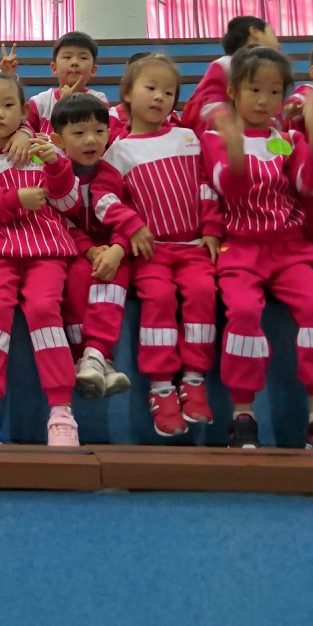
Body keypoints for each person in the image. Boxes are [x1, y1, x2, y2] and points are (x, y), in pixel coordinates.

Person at [201, 46, 313, 450]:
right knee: (244, 313)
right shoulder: (214, 138)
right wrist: (235, 150)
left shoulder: (286, 140)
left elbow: (310, 183)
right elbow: (229, 188)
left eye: (274, 92)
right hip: (240, 249)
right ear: (233, 92)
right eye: (254, 90)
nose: (264, 101)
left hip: (291, 249)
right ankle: (242, 415)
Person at [103, 54, 221, 437]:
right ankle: (161, 387)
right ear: (126, 94)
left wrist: (211, 228)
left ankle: (194, 379)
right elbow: (105, 199)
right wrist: (132, 226)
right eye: (150, 88)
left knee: (203, 293)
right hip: (151, 253)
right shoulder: (118, 151)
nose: (159, 97)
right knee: (159, 299)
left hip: (193, 248)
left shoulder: (188, 138)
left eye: (168, 92)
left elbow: (206, 185)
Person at [0, 73, 81, 446]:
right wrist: (16, 200)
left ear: (24, 111)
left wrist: (57, 166)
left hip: (46, 250)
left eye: (7, 105)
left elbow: (69, 202)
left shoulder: (43, 149)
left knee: (45, 309)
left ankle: (61, 412)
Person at [51, 93, 137, 398]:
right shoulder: (57, 176)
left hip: (112, 249)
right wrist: (88, 249)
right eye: (79, 133)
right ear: (58, 140)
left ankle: (97, 354)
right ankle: (86, 358)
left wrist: (117, 248)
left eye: (99, 132)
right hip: (75, 251)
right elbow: (61, 221)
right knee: (75, 278)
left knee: (113, 275)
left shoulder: (111, 174)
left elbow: (128, 215)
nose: (91, 140)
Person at [179, 15, 279, 132]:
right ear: (255, 31)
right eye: (272, 32)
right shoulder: (225, 65)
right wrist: (224, 120)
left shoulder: (273, 71)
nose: (278, 43)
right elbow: (208, 102)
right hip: (223, 135)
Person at [25, 31, 111, 137]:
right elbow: (23, 131)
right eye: (67, 57)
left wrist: (68, 103)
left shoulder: (99, 100)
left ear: (93, 70)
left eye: (83, 58)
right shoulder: (39, 103)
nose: (75, 62)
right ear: (54, 68)